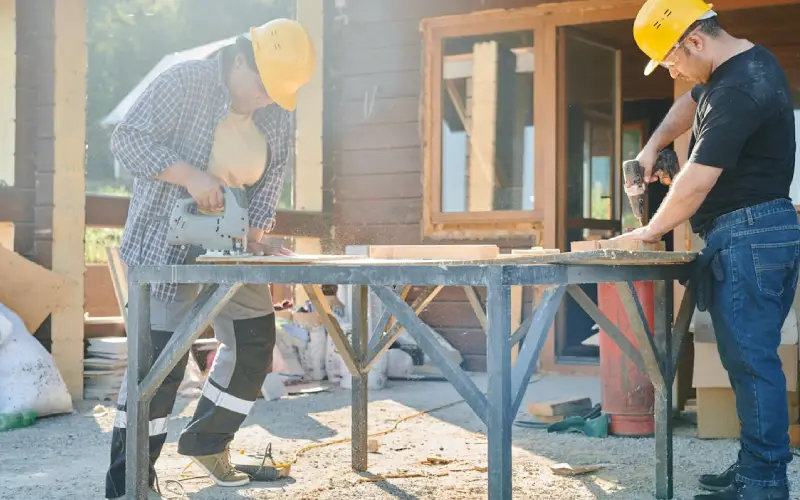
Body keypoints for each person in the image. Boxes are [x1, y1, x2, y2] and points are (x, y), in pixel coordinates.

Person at [103, 18, 315, 500]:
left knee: (254, 344)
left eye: (275, 92)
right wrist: (190, 176)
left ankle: (207, 440)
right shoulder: (185, 82)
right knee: (159, 367)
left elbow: (268, 184)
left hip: (233, 246)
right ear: (240, 60)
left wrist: (257, 239)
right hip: (165, 245)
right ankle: (130, 483)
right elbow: (128, 140)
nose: (266, 98)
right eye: (262, 85)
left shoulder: (276, 113)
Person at [618, 1, 799, 499]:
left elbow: (696, 181)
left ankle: (764, 483)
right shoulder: (741, 68)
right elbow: (690, 103)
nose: (673, 72)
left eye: (671, 61)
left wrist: (649, 231)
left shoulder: (738, 89)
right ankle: (756, 467)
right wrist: (652, 147)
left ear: (695, 41)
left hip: (748, 233)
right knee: (748, 361)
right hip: (757, 231)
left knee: (752, 363)